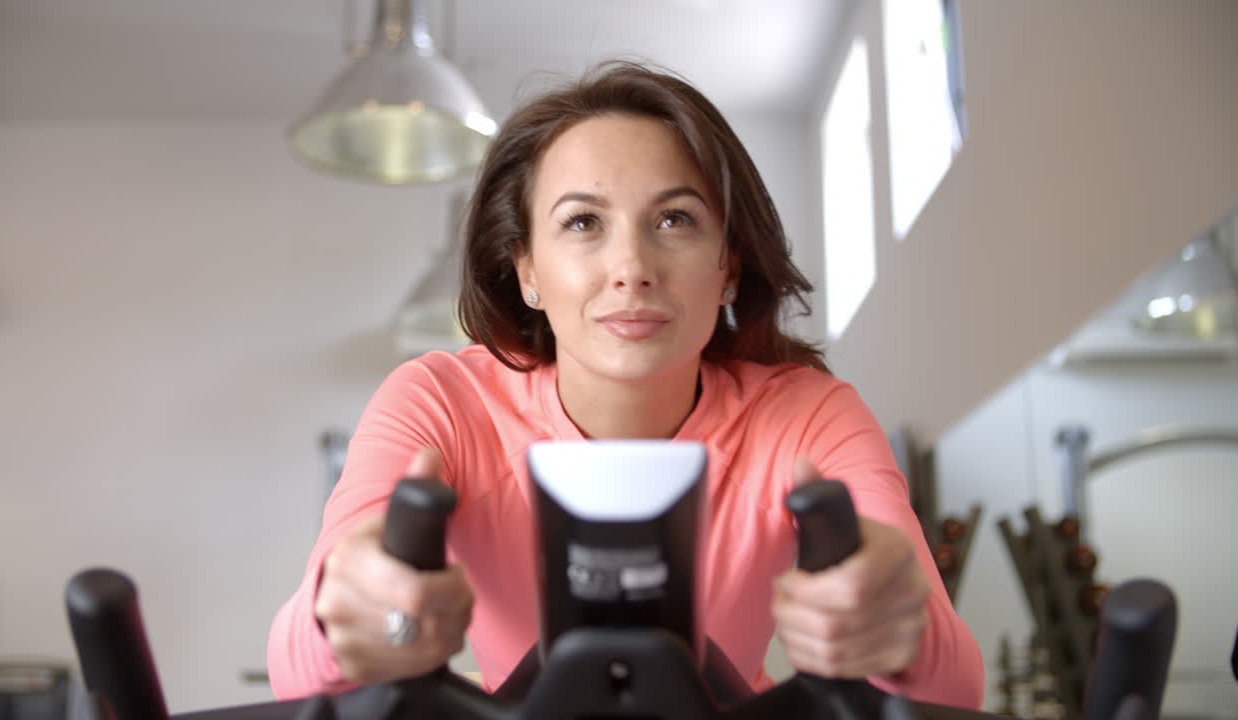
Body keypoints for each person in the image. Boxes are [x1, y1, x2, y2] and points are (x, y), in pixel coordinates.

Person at [268, 60, 984, 708]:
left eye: (675, 219)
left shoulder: (807, 412)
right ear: (527, 272)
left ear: (728, 267)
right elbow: (296, 670)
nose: (631, 266)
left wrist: (901, 625)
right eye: (583, 222)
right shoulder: (438, 400)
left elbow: (955, 688)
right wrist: (347, 612)